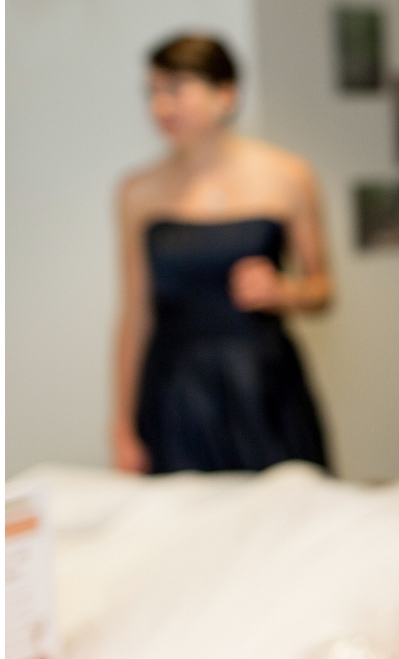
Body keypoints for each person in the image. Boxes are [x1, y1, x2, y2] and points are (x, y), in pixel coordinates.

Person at [113, 35, 332, 474]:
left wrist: (284, 291)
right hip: (175, 389)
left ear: (225, 94)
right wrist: (122, 426)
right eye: (153, 92)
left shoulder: (287, 177)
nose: (161, 107)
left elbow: (323, 289)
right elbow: (136, 315)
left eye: (175, 89)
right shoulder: (137, 192)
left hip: (262, 383)